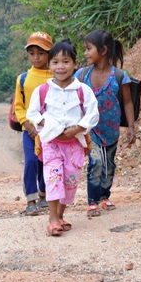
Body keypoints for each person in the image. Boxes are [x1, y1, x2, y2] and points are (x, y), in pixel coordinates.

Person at [26, 40, 99, 236]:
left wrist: (78, 128)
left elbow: (93, 113)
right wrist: (49, 126)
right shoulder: (43, 91)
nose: (60, 67)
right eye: (55, 62)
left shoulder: (83, 91)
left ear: (75, 64)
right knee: (53, 178)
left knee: (70, 181)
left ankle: (59, 215)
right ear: (49, 65)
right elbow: (32, 113)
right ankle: (52, 219)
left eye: (66, 62)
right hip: (51, 143)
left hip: (75, 145)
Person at [75, 30, 136, 217]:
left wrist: (131, 127)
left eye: (89, 49)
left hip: (111, 130)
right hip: (90, 130)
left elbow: (127, 102)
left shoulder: (119, 76)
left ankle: (104, 196)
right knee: (96, 163)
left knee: (109, 165)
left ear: (103, 50)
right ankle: (92, 201)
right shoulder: (82, 75)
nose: (85, 53)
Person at [13, 31, 54, 216]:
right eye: (32, 53)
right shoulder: (23, 78)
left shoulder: (56, 76)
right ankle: (31, 200)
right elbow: (19, 106)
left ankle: (44, 194)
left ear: (49, 54)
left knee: (47, 161)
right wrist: (27, 125)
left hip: (50, 130)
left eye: (41, 53)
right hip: (29, 130)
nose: (36, 57)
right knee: (31, 161)